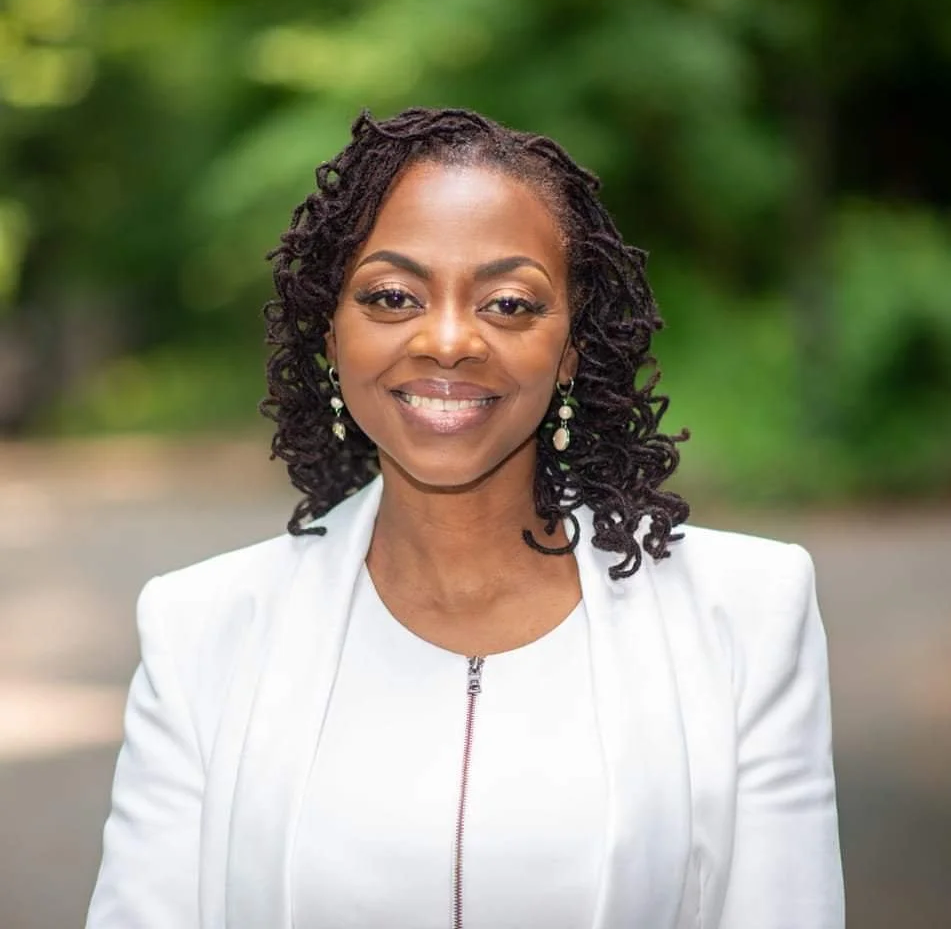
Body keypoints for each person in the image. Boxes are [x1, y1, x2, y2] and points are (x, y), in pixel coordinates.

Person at [86, 108, 844, 929]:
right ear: (331, 332)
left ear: (571, 348)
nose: (448, 340)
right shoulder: (201, 630)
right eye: (391, 297)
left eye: (510, 304)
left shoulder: (746, 614)